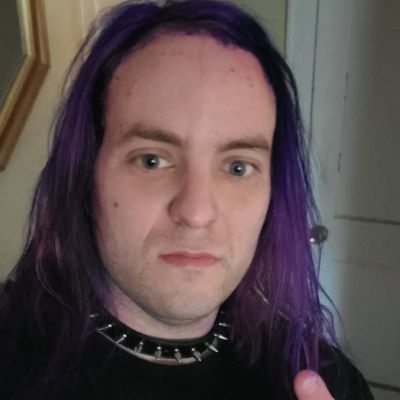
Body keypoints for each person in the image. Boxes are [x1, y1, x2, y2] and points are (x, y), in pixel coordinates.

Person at [0, 1, 374, 399]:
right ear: (86, 175)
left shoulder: (325, 381)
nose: (196, 213)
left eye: (238, 167)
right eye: (151, 160)